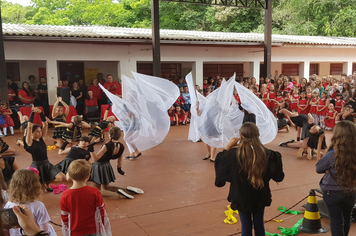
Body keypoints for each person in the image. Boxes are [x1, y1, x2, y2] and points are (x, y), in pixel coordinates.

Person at [214, 122, 284, 236]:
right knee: (259, 223)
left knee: (246, 224)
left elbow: (220, 164)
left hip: (241, 195)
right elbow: (278, 176)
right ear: (258, 134)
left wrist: (227, 147)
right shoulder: (268, 154)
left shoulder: (233, 155)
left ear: (241, 136)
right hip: (260, 194)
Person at [316, 121, 356, 236]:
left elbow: (318, 168)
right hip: (351, 190)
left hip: (332, 191)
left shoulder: (332, 154)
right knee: (347, 217)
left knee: (336, 220)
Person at [88, 127, 144, 199]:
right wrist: (119, 169)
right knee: (106, 188)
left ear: (109, 135)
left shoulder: (107, 146)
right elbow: (120, 160)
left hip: (98, 166)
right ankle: (128, 191)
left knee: (96, 190)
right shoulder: (121, 146)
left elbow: (96, 158)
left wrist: (91, 149)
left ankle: (120, 195)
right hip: (106, 166)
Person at [60, 160, 111, 236]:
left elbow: (65, 216)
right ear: (88, 176)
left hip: (75, 232)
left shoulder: (65, 195)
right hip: (94, 230)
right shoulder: (94, 192)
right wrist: (105, 229)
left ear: (69, 176)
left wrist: (66, 231)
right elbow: (101, 212)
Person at [4, 169, 57, 235]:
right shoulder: (39, 205)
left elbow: (5, 229)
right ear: (35, 186)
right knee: (50, 228)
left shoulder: (8, 205)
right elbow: (44, 228)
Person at [24, 107, 66, 190]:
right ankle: (43, 184)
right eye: (37, 132)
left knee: (62, 177)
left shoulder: (41, 139)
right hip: (37, 165)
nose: (40, 133)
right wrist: (32, 113)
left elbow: (45, 124)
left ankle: (46, 182)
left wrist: (41, 114)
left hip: (47, 164)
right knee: (41, 189)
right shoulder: (29, 141)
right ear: (32, 133)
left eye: (40, 131)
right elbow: (29, 127)